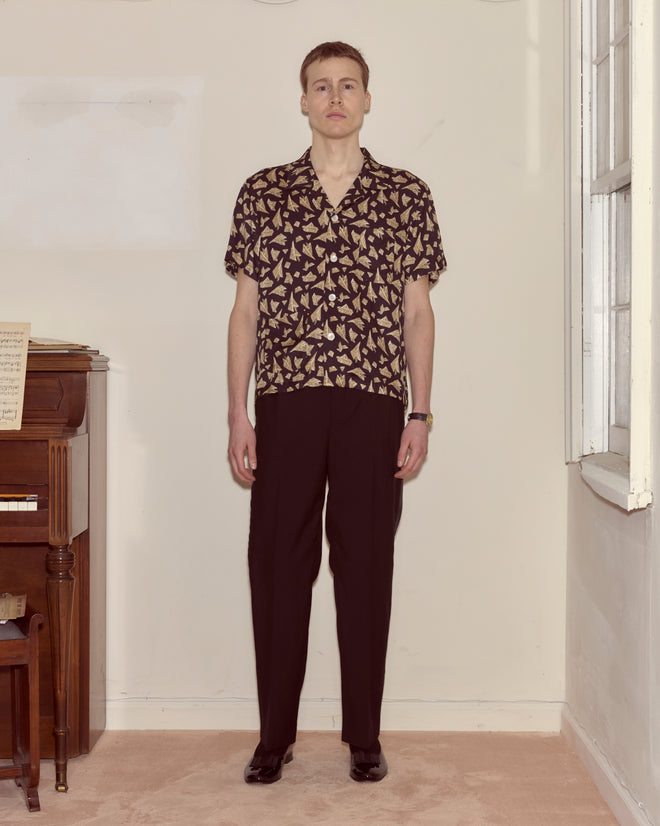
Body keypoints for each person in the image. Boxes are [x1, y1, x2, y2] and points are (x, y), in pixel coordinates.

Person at [225, 41, 447, 784]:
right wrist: (238, 414)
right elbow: (245, 313)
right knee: (278, 569)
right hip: (285, 403)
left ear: (367, 99)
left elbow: (418, 314)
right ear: (303, 100)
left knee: (366, 567)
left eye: (348, 85)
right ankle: (274, 736)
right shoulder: (263, 192)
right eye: (321, 86)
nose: (335, 98)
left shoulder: (406, 195)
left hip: (372, 406)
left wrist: (421, 413)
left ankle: (364, 736)